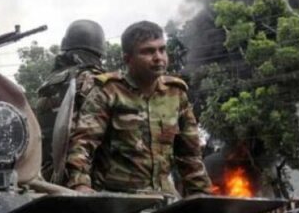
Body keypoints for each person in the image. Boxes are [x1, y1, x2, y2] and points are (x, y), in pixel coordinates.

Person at [65, 20, 212, 197]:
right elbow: (82, 144)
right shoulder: (108, 91)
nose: (158, 57)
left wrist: (202, 195)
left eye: (162, 49)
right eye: (148, 51)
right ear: (127, 59)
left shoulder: (176, 93)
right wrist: (80, 185)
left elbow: (190, 155)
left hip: (164, 199)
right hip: (117, 200)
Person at [35, 19, 106, 182]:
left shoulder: (50, 81)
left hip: (47, 173)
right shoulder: (93, 78)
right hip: (82, 175)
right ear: (100, 50)